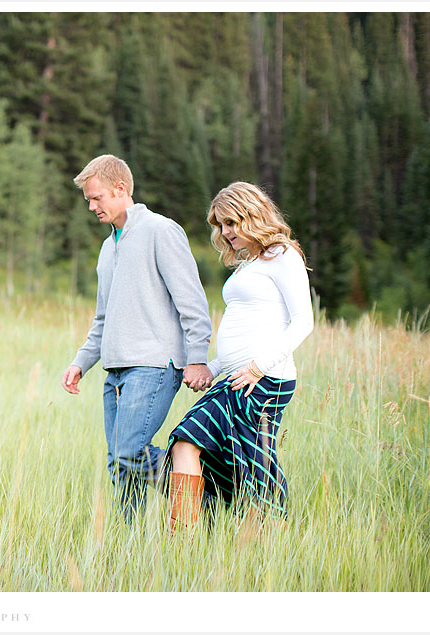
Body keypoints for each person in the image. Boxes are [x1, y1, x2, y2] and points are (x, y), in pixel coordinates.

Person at [61, 154, 213, 522]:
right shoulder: (107, 247)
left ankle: (204, 488)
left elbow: (191, 300)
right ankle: (129, 547)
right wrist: (81, 361)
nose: (92, 207)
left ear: (121, 188)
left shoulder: (160, 231)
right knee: (119, 466)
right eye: (88, 201)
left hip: (154, 366)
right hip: (114, 372)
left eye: (96, 198)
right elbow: (103, 318)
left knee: (129, 453)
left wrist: (197, 357)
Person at [164, 181, 314, 532]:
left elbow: (303, 322)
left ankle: (263, 545)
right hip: (234, 378)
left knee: (253, 464)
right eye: (220, 225)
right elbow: (248, 328)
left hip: (264, 381)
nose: (225, 232)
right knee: (187, 443)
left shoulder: (282, 255)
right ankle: (182, 543)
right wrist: (212, 368)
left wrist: (258, 367)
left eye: (231, 222)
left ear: (252, 215)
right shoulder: (250, 262)